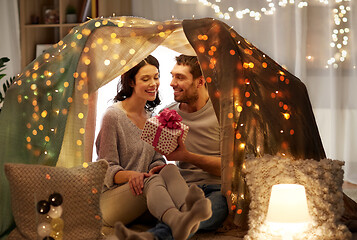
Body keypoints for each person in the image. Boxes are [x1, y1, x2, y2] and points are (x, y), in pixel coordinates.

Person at [96, 55, 212, 240]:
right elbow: (106, 169)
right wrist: (134, 175)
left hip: (143, 192)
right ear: (131, 82)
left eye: (156, 77)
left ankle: (188, 213)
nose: (154, 84)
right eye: (145, 79)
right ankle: (176, 220)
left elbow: (156, 159)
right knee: (153, 181)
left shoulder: (153, 117)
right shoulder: (113, 117)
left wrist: (157, 167)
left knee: (170, 169)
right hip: (112, 200)